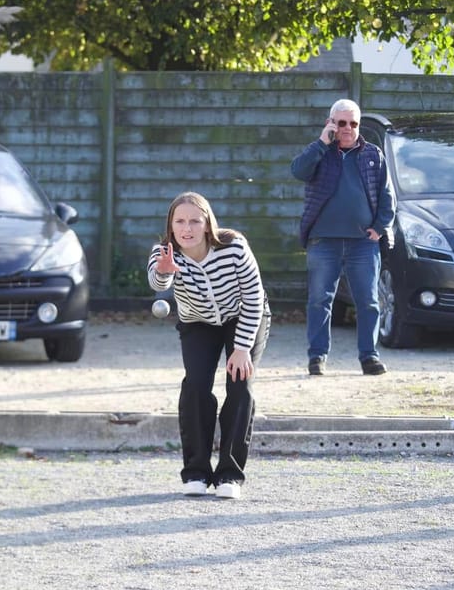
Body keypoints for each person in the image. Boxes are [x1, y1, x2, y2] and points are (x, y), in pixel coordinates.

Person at [148, 191, 270, 499]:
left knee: (240, 385)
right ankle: (196, 472)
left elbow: (254, 298)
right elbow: (158, 281)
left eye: (194, 221)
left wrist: (241, 348)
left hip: (243, 316)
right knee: (196, 387)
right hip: (197, 322)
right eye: (179, 222)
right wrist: (164, 273)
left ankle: (230, 474)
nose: (186, 228)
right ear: (171, 225)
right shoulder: (164, 252)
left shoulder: (234, 248)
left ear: (206, 224)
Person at [290, 98, 395, 376]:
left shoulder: (373, 155)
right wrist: (322, 143)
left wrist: (380, 227)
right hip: (324, 242)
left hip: (363, 243)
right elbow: (298, 171)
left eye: (353, 123)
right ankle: (317, 357)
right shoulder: (319, 152)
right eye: (341, 122)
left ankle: (369, 357)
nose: (348, 128)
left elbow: (387, 197)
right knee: (319, 301)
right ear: (331, 123)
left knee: (369, 301)